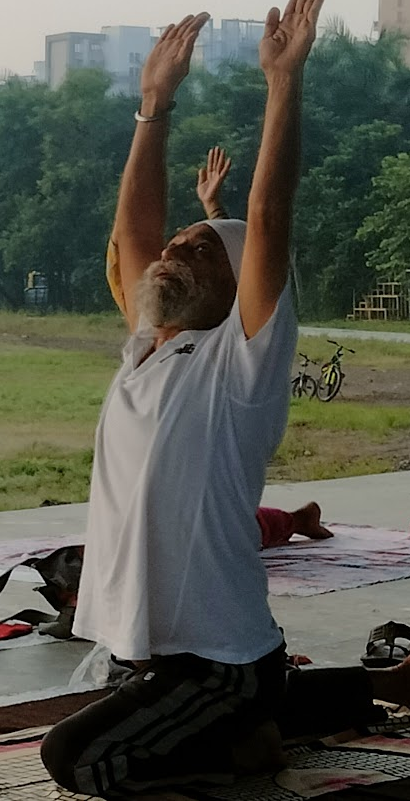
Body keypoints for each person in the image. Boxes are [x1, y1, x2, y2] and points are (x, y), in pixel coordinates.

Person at [41, 0, 410, 798]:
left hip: (218, 658)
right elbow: (134, 228)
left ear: (239, 288)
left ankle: (250, 741)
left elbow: (269, 214)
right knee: (149, 707)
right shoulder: (147, 344)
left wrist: (284, 82)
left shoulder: (236, 366)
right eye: (180, 242)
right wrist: (152, 106)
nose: (175, 250)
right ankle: (383, 683)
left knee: (78, 759)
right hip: (174, 652)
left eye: (205, 251)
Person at [105, 146, 332, 552]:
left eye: (196, 250)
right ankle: (299, 519)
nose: (167, 254)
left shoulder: (237, 357)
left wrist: (284, 82)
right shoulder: (152, 333)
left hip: (207, 544)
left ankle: (299, 519)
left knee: (234, 522)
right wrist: (213, 210)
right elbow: (216, 256)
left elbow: (255, 237)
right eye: (171, 245)